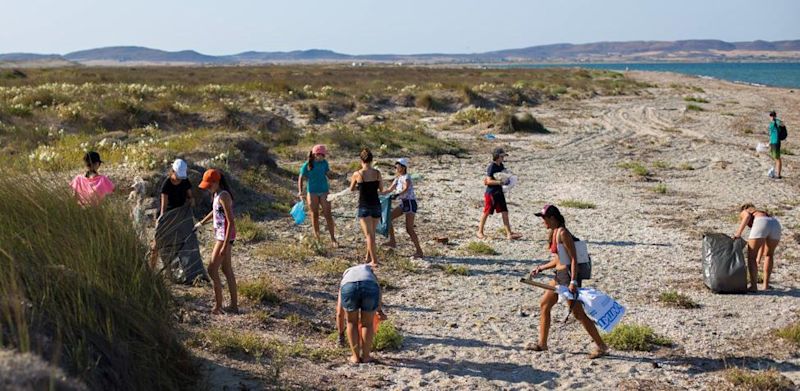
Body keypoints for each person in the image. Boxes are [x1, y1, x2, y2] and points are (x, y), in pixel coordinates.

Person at [527, 204, 608, 359]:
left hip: (567, 278)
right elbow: (559, 259)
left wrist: (573, 282)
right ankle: (542, 343)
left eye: (544, 219)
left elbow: (573, 259)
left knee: (578, 314)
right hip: (559, 275)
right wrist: (541, 268)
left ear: (552, 218)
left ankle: (602, 346)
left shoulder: (563, 233)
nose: (543, 222)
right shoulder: (555, 232)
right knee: (544, 305)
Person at [195, 169, 238, 314]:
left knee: (212, 269)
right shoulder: (216, 194)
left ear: (216, 182)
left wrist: (225, 246)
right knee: (226, 270)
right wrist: (201, 222)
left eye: (209, 185)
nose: (207, 188)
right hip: (222, 235)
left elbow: (231, 222)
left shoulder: (224, 196)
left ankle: (218, 306)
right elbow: (215, 211)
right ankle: (234, 306)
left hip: (224, 236)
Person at [149, 159, 195, 268]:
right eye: (178, 176)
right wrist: (161, 220)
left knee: (180, 242)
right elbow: (164, 205)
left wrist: (191, 201)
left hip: (180, 216)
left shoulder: (185, 181)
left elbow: (190, 196)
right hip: (167, 215)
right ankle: (151, 268)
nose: (179, 179)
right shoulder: (167, 184)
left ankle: (181, 268)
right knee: (157, 243)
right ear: (173, 171)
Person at [338, 263, 382, 364]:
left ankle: (355, 357)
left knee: (351, 323)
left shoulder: (345, 278)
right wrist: (379, 310)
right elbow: (379, 291)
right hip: (369, 285)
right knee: (367, 323)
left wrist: (340, 335)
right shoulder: (370, 273)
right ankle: (366, 356)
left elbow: (339, 313)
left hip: (349, 288)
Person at [381, 158, 424, 258]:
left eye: (398, 166)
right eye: (395, 166)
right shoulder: (397, 178)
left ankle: (419, 251)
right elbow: (389, 189)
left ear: (403, 167)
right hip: (403, 203)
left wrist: (397, 194)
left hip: (409, 203)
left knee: (409, 229)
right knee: (388, 218)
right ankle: (392, 241)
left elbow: (406, 188)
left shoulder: (406, 177)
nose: (396, 167)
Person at [297, 144, 338, 247]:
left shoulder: (324, 163)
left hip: (324, 191)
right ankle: (317, 239)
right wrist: (300, 191)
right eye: (319, 155)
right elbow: (301, 178)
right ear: (315, 154)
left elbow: (327, 174)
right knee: (314, 215)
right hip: (312, 192)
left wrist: (334, 175)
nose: (321, 157)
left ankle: (333, 238)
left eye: (323, 155)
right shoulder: (307, 164)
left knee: (328, 214)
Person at [734, 203, 781, 291]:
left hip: (761, 223)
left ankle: (753, 287)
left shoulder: (745, 211)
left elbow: (747, 216)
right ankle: (766, 285)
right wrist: (758, 258)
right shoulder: (762, 213)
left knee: (751, 257)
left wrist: (738, 233)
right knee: (769, 255)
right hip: (775, 223)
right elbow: (762, 242)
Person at [477, 148, 521, 240]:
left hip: (499, 192)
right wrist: (499, 182)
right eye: (502, 156)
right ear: (497, 156)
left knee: (505, 212)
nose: (503, 158)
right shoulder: (492, 167)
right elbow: (488, 181)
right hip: (491, 193)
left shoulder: (501, 165)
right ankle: (480, 232)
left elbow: (505, 175)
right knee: (487, 212)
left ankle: (509, 233)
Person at [349, 149, 383, 265]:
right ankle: (368, 257)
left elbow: (351, 189)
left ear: (361, 160)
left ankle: (374, 260)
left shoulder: (357, 174)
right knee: (372, 233)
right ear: (372, 160)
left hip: (364, 206)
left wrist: (360, 186)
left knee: (369, 235)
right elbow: (381, 189)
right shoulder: (377, 173)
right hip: (376, 205)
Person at [768, 111, 783, 179]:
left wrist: (777, 121)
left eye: (773, 115)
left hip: (776, 142)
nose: (772, 117)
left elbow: (782, 124)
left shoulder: (777, 122)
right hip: (773, 142)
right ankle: (776, 172)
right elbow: (771, 133)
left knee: (777, 158)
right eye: (771, 115)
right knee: (775, 157)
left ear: (775, 116)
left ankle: (778, 175)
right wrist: (769, 142)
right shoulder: (771, 123)